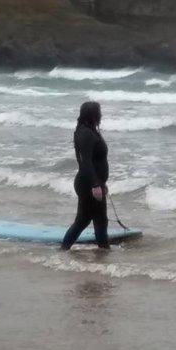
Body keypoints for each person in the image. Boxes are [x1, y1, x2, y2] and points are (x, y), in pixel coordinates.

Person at [61, 101, 110, 250]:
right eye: (99, 112)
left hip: (92, 182)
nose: (101, 115)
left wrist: (101, 183)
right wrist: (95, 185)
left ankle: (103, 251)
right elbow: (86, 162)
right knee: (83, 220)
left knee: (99, 219)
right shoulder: (86, 134)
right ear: (93, 115)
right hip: (88, 184)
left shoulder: (88, 130)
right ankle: (64, 249)